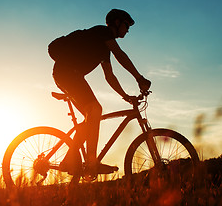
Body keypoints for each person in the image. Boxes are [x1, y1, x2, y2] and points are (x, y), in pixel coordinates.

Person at [50, 9, 151, 176]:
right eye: (126, 25)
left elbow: (109, 76)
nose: (128, 29)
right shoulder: (102, 32)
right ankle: (91, 162)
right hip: (67, 73)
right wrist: (139, 78)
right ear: (117, 23)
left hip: (69, 74)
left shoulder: (104, 48)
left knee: (91, 116)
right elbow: (121, 55)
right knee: (95, 109)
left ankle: (69, 160)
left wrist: (126, 96)